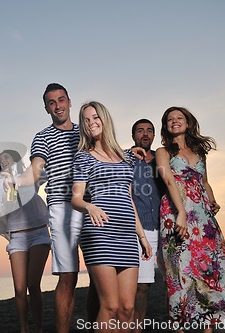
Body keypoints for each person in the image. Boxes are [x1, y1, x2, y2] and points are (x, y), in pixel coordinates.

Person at [156, 106, 225, 332]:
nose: (175, 121)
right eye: (170, 119)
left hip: (202, 217)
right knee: (179, 274)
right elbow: (169, 182)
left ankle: (208, 327)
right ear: (166, 126)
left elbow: (204, 182)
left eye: (179, 118)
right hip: (175, 215)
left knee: (207, 271)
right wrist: (182, 213)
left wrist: (212, 200)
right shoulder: (163, 151)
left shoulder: (200, 152)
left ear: (188, 123)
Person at [71, 101, 152, 333]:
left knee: (127, 308)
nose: (91, 123)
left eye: (95, 117)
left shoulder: (124, 157)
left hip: (127, 234)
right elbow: (75, 198)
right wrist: (89, 206)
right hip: (99, 233)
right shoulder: (83, 157)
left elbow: (129, 200)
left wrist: (143, 237)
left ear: (104, 118)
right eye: (86, 120)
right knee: (110, 306)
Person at [16, 83, 83, 333]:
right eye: (52, 103)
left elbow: (105, 154)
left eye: (61, 100)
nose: (58, 106)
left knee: (99, 275)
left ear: (69, 101)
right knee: (68, 277)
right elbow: (35, 170)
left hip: (91, 206)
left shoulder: (84, 132)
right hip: (62, 209)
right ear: (46, 108)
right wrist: (16, 180)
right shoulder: (43, 137)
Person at [0, 149, 51, 333]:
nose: (3, 160)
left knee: (33, 284)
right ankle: (24, 328)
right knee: (19, 288)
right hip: (17, 236)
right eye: (0, 159)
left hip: (38, 232)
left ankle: (38, 328)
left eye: (7, 157)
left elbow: (49, 172)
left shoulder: (28, 176)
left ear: (15, 160)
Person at [130, 119, 165, 332]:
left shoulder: (162, 160)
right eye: (140, 130)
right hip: (139, 227)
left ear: (154, 135)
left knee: (162, 284)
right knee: (140, 286)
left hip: (163, 227)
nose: (145, 134)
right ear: (133, 135)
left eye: (149, 130)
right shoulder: (126, 159)